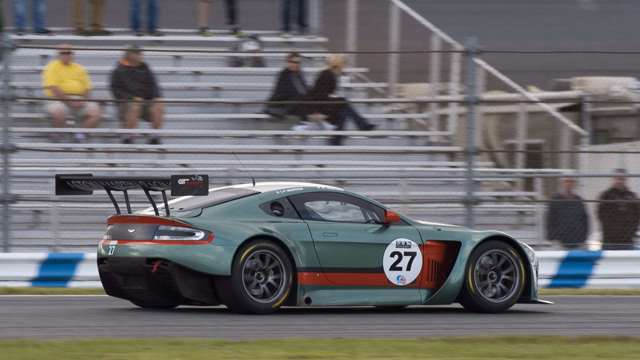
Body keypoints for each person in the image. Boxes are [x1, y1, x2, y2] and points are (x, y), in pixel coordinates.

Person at [306, 54, 375, 145]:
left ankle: (336, 140)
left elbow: (325, 95)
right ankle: (362, 125)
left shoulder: (329, 74)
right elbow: (319, 95)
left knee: (343, 112)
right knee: (344, 102)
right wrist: (321, 111)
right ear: (338, 65)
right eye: (343, 64)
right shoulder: (327, 74)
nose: (343, 67)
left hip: (322, 105)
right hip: (319, 106)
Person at [42, 44, 101, 142]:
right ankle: (59, 135)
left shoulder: (79, 68)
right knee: (58, 111)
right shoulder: (51, 67)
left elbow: (87, 88)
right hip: (56, 99)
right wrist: (69, 101)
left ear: (73, 54)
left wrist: (84, 100)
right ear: (58, 55)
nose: (66, 55)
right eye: (63, 53)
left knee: (96, 113)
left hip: (79, 99)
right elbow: (53, 88)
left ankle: (80, 135)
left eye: (69, 52)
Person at [110, 45, 164, 145]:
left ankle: (155, 136)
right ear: (130, 55)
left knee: (159, 104)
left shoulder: (146, 69)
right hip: (126, 104)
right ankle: (128, 136)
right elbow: (116, 91)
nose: (141, 55)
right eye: (138, 53)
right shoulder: (118, 71)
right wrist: (131, 98)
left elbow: (154, 85)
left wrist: (156, 97)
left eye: (141, 53)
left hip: (144, 102)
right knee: (135, 105)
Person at [597, 169, 640, 250]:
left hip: (627, 240)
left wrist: (632, 231)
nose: (619, 181)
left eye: (622, 179)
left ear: (626, 180)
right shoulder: (606, 196)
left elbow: (637, 216)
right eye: (617, 178)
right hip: (609, 240)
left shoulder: (632, 196)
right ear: (613, 179)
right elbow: (601, 215)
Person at [546, 178, 589, 249]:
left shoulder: (578, 200)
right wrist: (553, 237)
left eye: (571, 181)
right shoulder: (555, 199)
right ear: (562, 183)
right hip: (560, 241)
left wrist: (583, 237)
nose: (569, 184)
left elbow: (585, 219)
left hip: (577, 241)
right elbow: (550, 219)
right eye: (566, 181)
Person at [265, 52, 308, 118]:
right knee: (301, 100)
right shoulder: (284, 74)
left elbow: (304, 90)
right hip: (282, 104)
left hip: (295, 103)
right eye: (293, 62)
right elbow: (284, 93)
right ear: (288, 62)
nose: (295, 64)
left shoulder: (299, 74)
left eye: (298, 62)